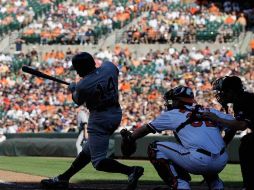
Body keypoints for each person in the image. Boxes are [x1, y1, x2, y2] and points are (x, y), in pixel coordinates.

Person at [41, 52, 144, 189]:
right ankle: (64, 178)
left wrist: (73, 89)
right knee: (87, 151)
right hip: (115, 113)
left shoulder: (83, 85)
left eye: (78, 69)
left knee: (98, 162)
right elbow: (109, 74)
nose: (77, 72)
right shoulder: (108, 67)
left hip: (100, 118)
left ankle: (131, 171)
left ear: (83, 68)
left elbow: (77, 100)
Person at [122, 85, 234, 190]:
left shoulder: (174, 113)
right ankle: (216, 185)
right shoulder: (210, 111)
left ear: (178, 101)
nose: (169, 103)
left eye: (171, 100)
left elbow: (145, 130)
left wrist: (130, 138)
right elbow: (234, 125)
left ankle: (181, 185)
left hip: (199, 161)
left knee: (154, 147)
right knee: (205, 148)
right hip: (222, 160)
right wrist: (224, 143)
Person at [202, 76, 254, 190]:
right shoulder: (243, 99)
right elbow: (233, 128)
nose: (220, 95)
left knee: (247, 144)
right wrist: (221, 146)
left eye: (222, 92)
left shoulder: (243, 100)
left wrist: (217, 119)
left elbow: (241, 125)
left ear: (230, 91)